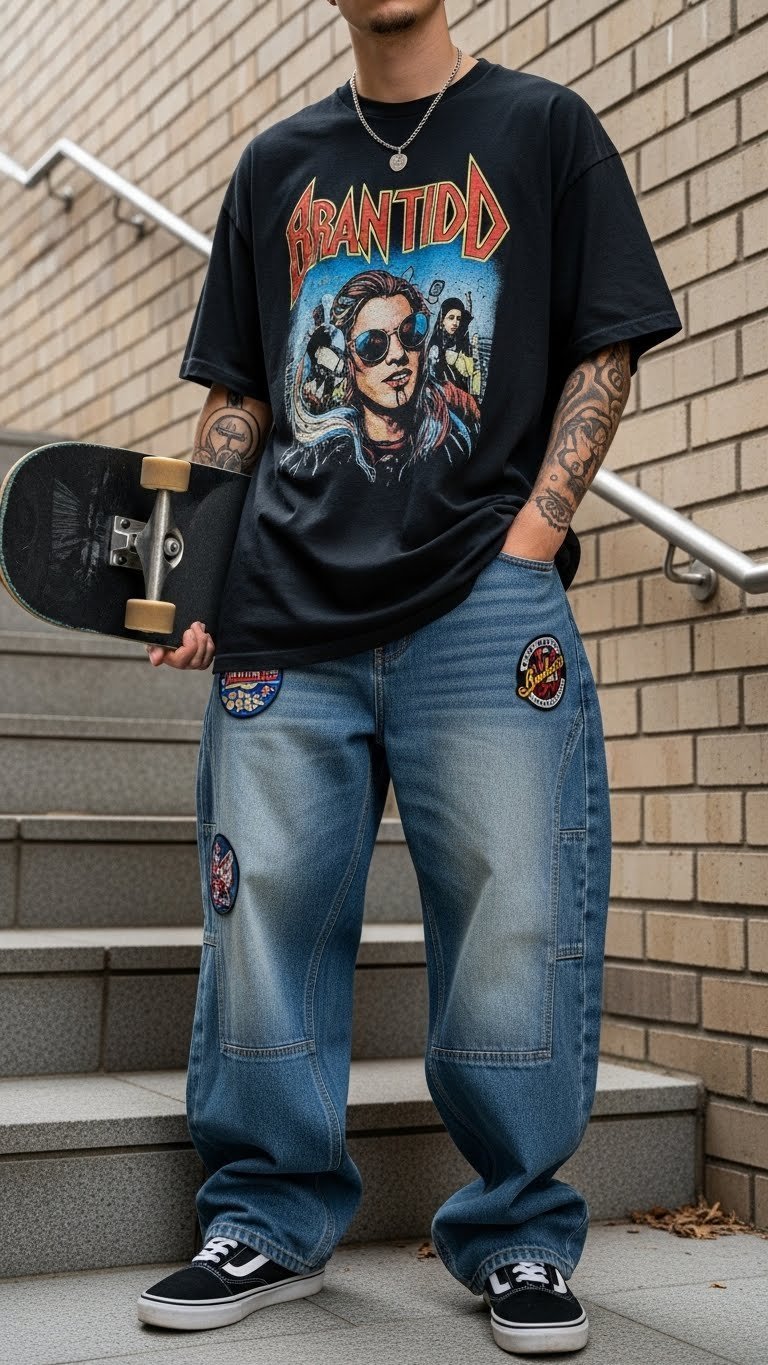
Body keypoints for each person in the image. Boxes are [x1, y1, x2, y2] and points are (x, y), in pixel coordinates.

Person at [136, 0, 682, 1353]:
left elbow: (601, 344)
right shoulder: (276, 166)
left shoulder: (544, 127)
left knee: (513, 919)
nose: (388, 362)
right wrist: (200, 571)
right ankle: (262, 1217)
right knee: (261, 918)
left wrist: (532, 542)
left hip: (482, 605)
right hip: (283, 619)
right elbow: (237, 397)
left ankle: (517, 1233)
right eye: (365, 346)